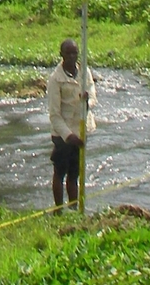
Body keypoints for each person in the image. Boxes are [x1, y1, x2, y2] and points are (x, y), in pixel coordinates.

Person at [46, 38, 97, 213]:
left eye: (74, 52)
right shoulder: (55, 79)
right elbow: (54, 114)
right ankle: (59, 210)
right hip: (63, 133)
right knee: (60, 172)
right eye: (68, 53)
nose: (72, 56)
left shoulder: (85, 73)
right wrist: (68, 136)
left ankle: (74, 208)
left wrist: (87, 99)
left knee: (75, 173)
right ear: (61, 55)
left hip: (81, 129)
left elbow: (92, 95)